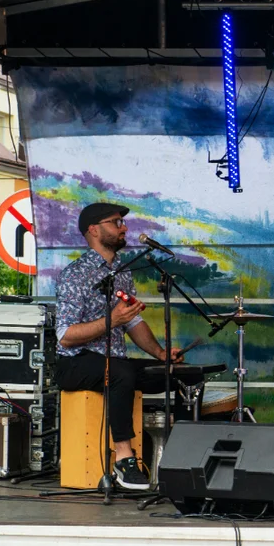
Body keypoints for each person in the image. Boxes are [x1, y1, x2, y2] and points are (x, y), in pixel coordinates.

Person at [55, 203, 181, 491]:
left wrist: (161, 354)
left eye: (123, 222)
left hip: (114, 361)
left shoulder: (122, 272)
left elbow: (133, 321)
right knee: (120, 372)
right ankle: (124, 459)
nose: (124, 227)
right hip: (75, 362)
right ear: (94, 230)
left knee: (175, 373)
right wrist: (113, 320)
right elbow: (65, 335)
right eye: (116, 222)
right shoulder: (76, 274)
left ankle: (183, 457)